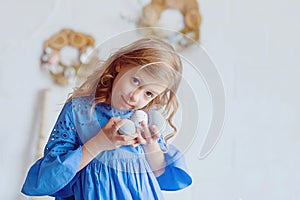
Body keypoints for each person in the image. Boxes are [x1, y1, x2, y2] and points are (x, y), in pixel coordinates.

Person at [22, 37, 192, 200]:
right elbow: (51, 176)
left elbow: (159, 172)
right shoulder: (79, 111)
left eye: (148, 93)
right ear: (120, 64)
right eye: (135, 81)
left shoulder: (143, 120)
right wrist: (98, 144)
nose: (135, 97)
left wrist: (150, 145)